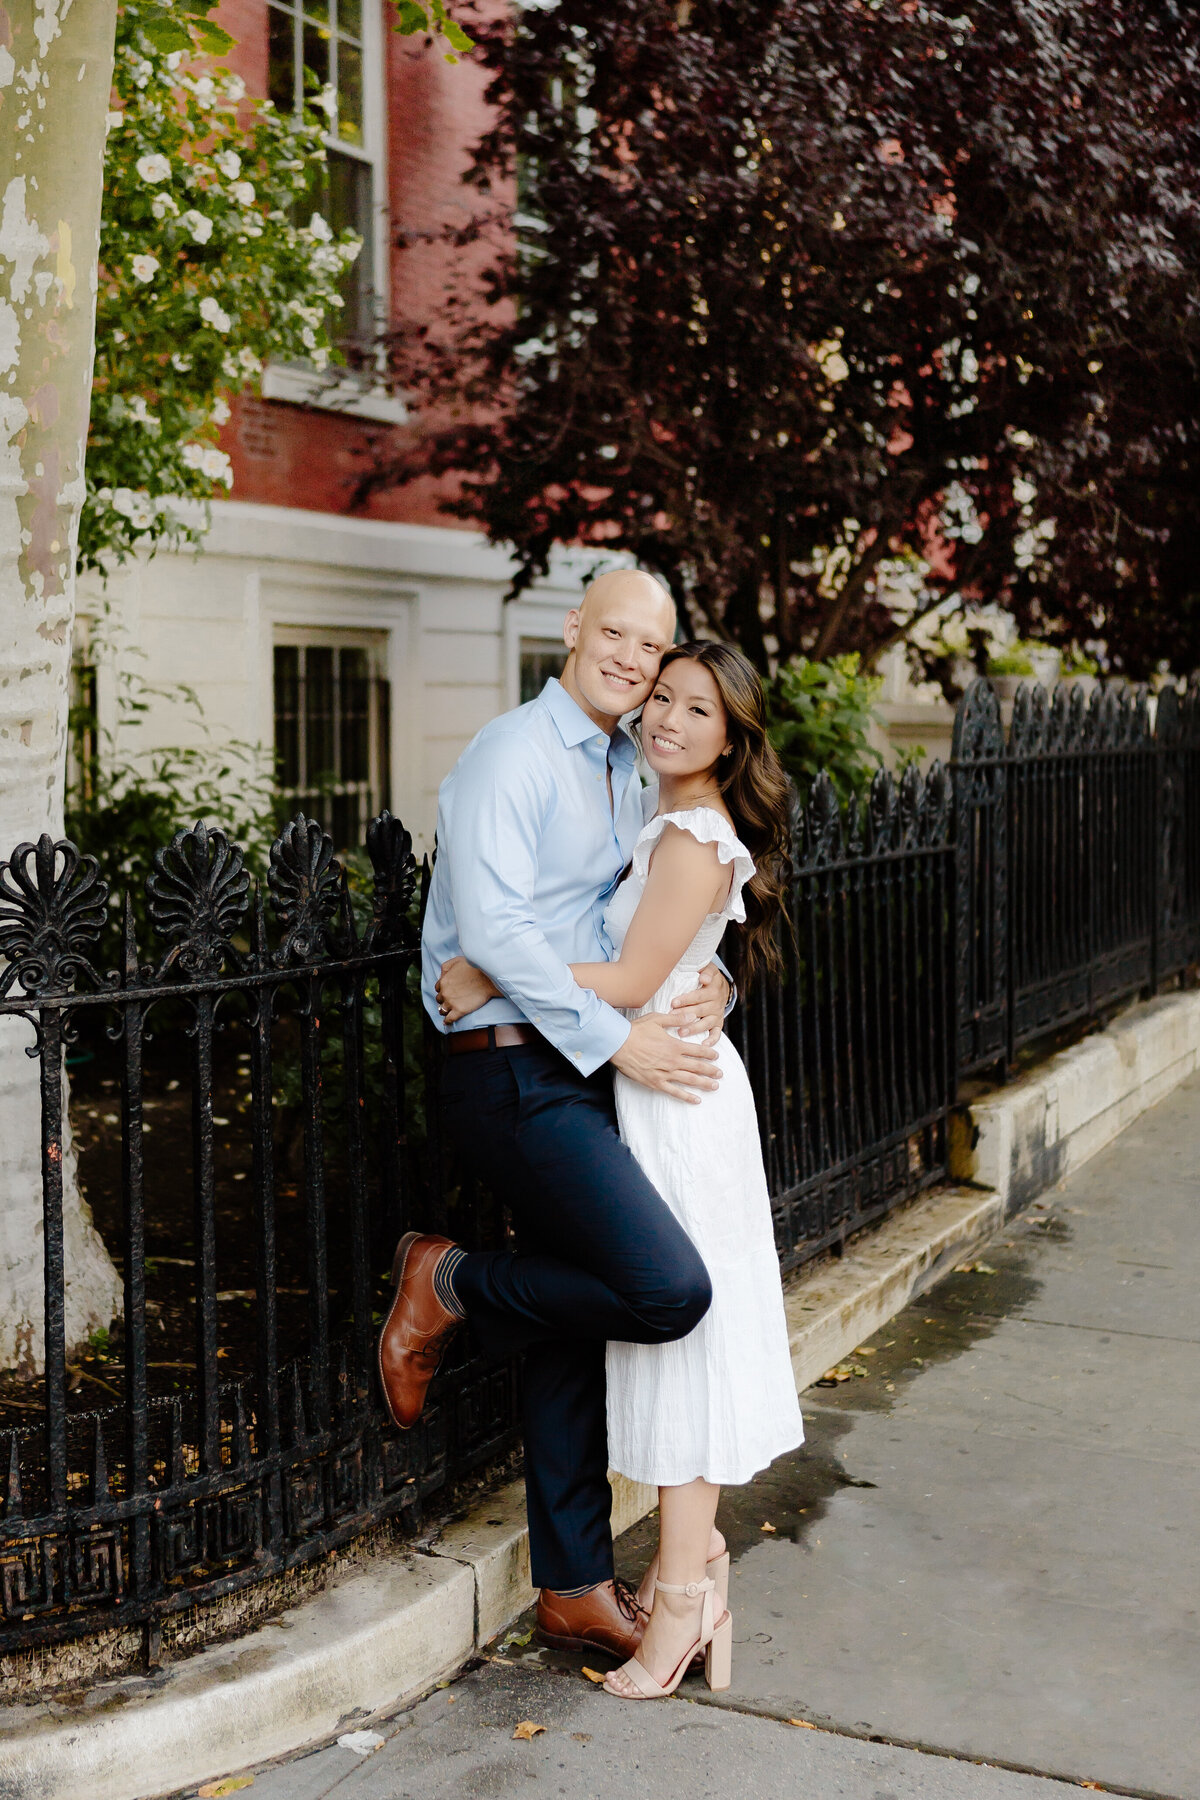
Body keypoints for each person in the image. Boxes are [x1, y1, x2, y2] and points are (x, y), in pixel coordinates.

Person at [376, 569, 734, 1664]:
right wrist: (615, 1035)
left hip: (579, 1066)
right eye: (614, 633)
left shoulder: (634, 763)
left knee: (577, 1317)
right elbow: (492, 926)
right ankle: (448, 1283)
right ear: (573, 630)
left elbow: (655, 926)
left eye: (651, 646)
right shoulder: (513, 755)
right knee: (665, 1288)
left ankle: (574, 1584)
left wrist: (708, 988)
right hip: (506, 1072)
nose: (632, 659)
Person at [437, 640, 805, 1701]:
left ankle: (682, 1601)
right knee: (681, 1330)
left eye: (699, 710)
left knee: (681, 1332)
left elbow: (642, 973)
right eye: (664, 699)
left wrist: (491, 964)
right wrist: (716, 982)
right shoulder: (661, 815)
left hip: (674, 1099)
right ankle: (699, 1573)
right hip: (658, 1085)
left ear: (732, 737)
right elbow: (677, 963)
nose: (671, 721)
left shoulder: (691, 831)